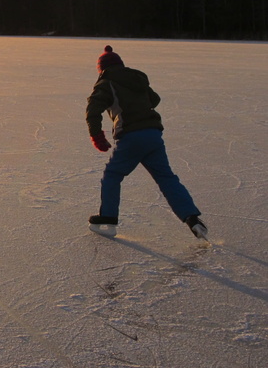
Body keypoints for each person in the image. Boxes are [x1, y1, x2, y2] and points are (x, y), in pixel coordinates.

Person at [85, 45, 207, 238]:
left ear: (102, 69)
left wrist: (96, 136)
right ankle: (192, 218)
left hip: (132, 137)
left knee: (112, 174)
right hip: (153, 134)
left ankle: (108, 217)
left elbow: (92, 110)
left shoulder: (106, 83)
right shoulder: (137, 79)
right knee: (166, 178)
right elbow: (154, 99)